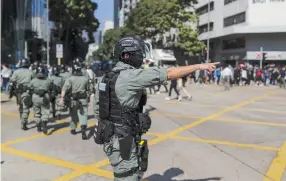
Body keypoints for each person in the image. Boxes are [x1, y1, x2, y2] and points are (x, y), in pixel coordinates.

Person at [93, 36, 218, 181]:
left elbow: (99, 110)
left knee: (131, 174)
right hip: (122, 140)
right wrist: (199, 66)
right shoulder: (131, 76)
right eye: (139, 53)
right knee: (127, 177)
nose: (141, 56)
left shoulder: (105, 78)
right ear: (127, 55)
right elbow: (169, 73)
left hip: (113, 137)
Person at [59, 62, 90, 140]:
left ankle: (73, 129)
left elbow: (64, 89)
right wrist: (88, 97)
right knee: (83, 114)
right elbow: (90, 89)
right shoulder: (85, 79)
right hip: (83, 100)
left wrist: (62, 98)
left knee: (73, 115)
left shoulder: (70, 79)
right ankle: (83, 130)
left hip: (73, 100)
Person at [8, 58, 35, 130]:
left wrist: (10, 93)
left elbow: (11, 82)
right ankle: (24, 122)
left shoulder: (16, 72)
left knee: (21, 107)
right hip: (27, 92)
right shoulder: (31, 72)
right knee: (26, 108)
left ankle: (22, 119)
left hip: (18, 93)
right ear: (28, 64)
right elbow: (34, 83)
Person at [29, 66, 53, 133]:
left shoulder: (33, 80)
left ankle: (38, 127)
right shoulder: (48, 80)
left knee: (37, 112)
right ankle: (44, 125)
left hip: (35, 97)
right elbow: (51, 88)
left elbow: (29, 89)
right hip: (45, 97)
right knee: (45, 111)